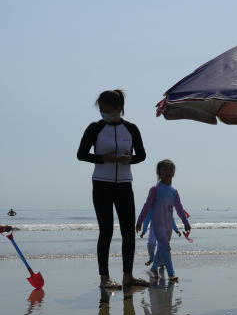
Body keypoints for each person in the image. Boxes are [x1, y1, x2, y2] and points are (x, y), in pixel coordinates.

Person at [77, 89, 148, 289]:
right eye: (101, 110)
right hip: (101, 183)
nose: (104, 113)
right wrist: (103, 158)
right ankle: (104, 278)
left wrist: (130, 159)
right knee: (106, 231)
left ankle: (128, 276)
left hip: (124, 184)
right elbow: (81, 154)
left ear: (119, 109)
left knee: (128, 232)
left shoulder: (131, 129)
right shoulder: (95, 128)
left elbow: (142, 155)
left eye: (107, 110)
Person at [136, 159, 191, 283]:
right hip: (158, 225)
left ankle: (154, 268)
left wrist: (186, 222)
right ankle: (171, 273)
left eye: (171, 169)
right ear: (159, 173)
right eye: (165, 169)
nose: (168, 171)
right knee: (166, 247)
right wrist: (139, 221)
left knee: (162, 249)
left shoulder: (174, 192)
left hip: (168, 227)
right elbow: (146, 206)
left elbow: (179, 208)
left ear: (174, 173)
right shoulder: (155, 190)